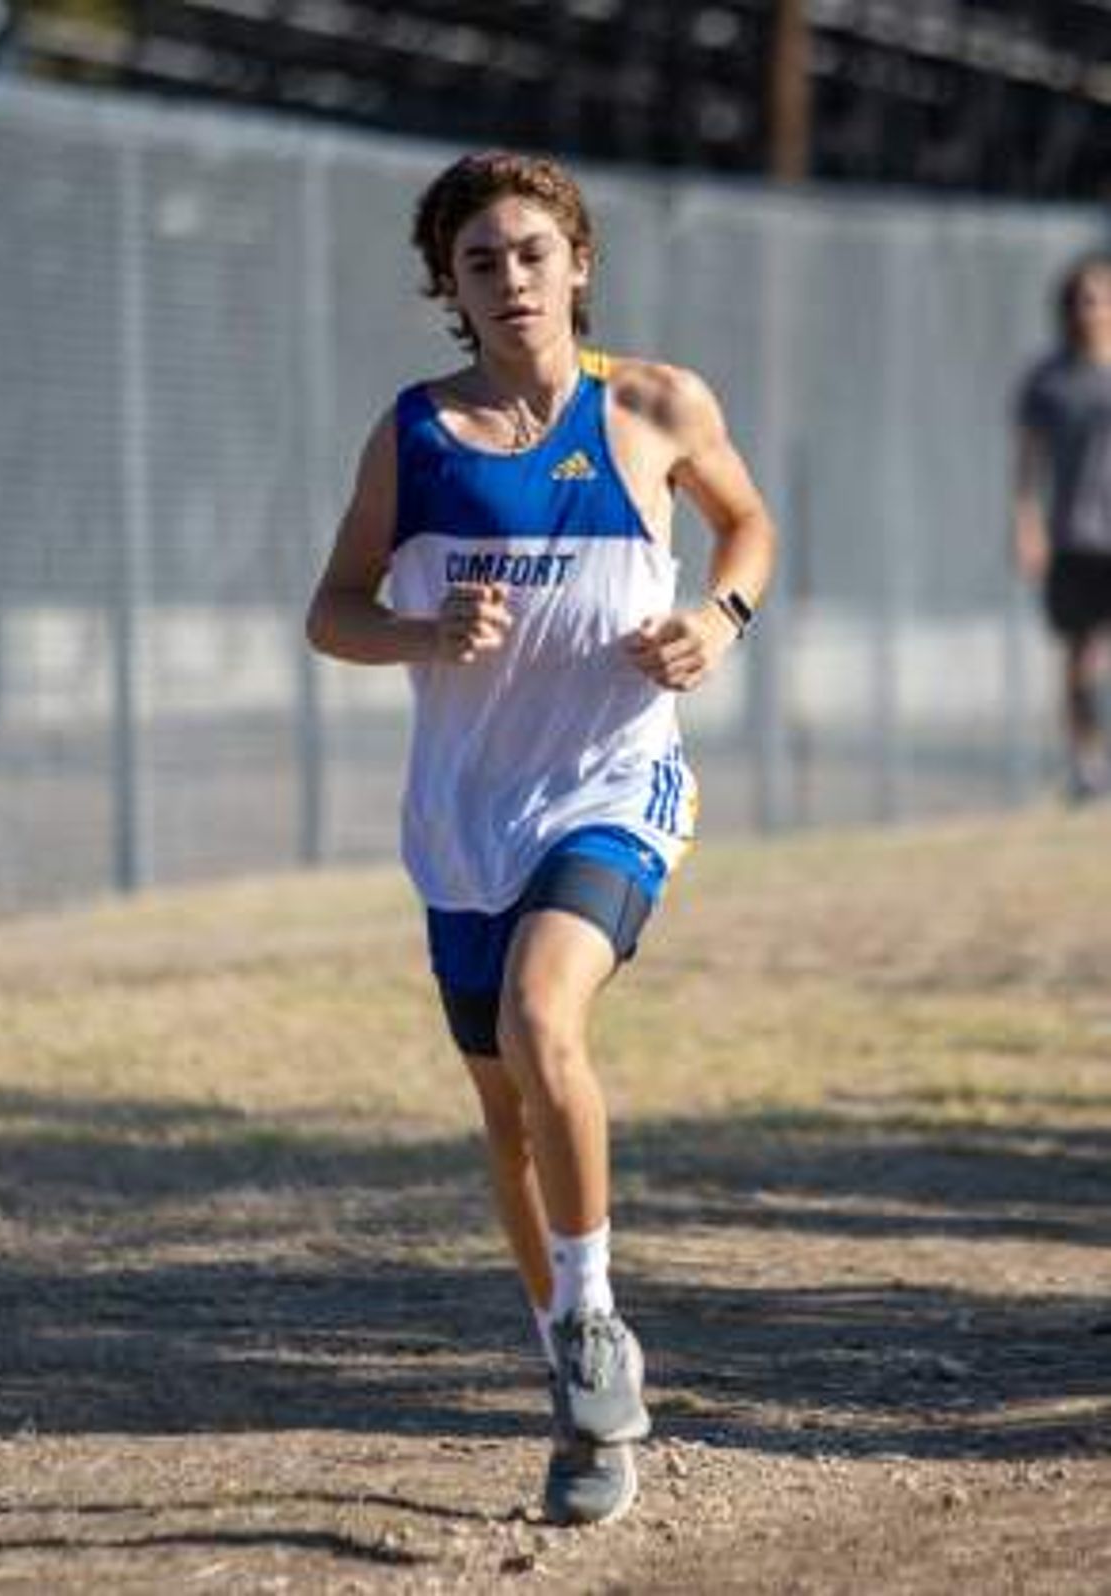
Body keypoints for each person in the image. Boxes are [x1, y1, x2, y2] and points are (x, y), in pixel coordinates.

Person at [307, 150, 777, 1526]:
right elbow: (331, 609)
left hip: (613, 786)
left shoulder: (656, 404)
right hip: (464, 820)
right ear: (447, 289)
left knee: (539, 1016)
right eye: (478, 263)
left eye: (530, 253)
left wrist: (720, 621)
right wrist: (415, 629)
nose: (510, 281)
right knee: (506, 1116)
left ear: (577, 260)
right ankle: (581, 1401)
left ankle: (592, 1328)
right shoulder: (417, 437)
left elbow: (746, 525)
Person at [1013, 252, 1111, 802]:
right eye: (1078, 301)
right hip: (1076, 533)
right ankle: (1086, 763)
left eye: (1097, 299)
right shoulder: (1049, 382)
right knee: (1081, 652)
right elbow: (1028, 462)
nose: (1088, 311)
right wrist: (1025, 522)